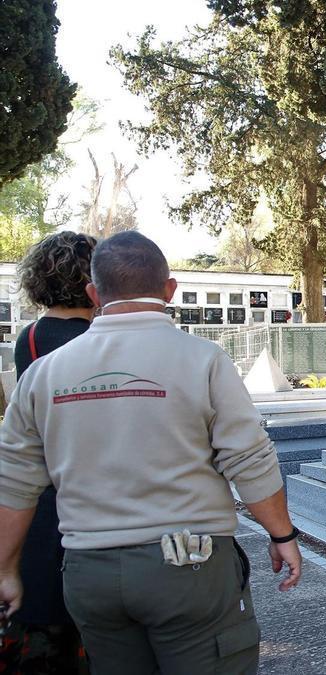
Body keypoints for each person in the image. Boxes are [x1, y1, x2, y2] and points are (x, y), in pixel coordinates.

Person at [0, 232, 301, 675]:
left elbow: (14, 480)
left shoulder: (44, 373)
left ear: (94, 294)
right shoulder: (203, 360)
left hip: (88, 572)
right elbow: (248, 458)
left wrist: (6, 569)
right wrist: (282, 536)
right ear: (170, 289)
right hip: (189, 567)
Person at [1, 231, 96, 674]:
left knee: (47, 629)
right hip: (98, 498)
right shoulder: (102, 339)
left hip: (46, 497)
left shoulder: (32, 339)